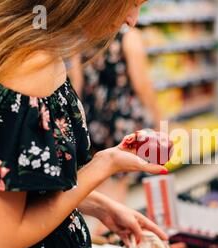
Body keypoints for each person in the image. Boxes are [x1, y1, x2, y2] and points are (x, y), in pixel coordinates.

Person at [0, 0, 168, 248]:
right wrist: (104, 165)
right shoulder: (31, 67)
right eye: (131, 4)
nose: (132, 21)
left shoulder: (0, 38)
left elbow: (10, 183)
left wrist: (96, 203)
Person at [68, 26, 162, 210]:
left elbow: (76, 84)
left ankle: (101, 232)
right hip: (122, 119)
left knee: (99, 177)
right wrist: (159, 117)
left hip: (92, 118)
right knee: (119, 182)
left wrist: (77, 121)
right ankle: (108, 232)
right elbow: (141, 83)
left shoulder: (83, 36)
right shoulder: (129, 37)